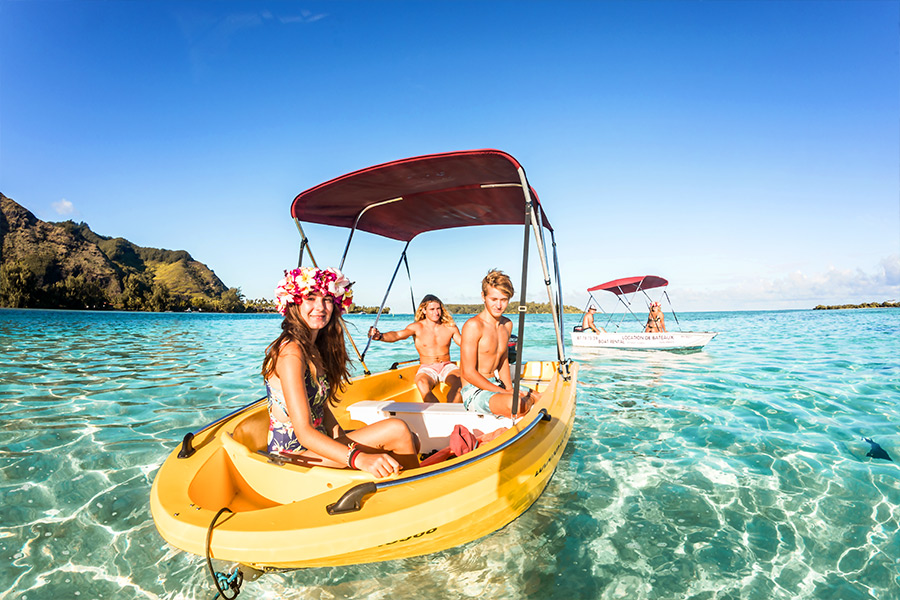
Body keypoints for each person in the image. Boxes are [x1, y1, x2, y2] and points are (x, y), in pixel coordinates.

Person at [262, 267, 419, 478]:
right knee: (397, 430)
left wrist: (344, 440)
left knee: (412, 439)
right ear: (294, 303)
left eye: (327, 299)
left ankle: (401, 481)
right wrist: (357, 458)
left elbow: (322, 411)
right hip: (292, 458)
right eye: (310, 298)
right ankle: (411, 488)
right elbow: (304, 433)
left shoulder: (314, 349)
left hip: (318, 448)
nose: (320, 307)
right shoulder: (291, 352)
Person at [458, 269, 538, 418]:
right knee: (516, 404)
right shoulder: (473, 326)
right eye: (494, 299)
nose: (499, 305)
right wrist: (504, 392)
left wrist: (509, 389)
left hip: (497, 384)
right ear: (483, 296)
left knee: (542, 397)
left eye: (504, 299)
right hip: (475, 391)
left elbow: (503, 360)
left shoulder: (507, 325)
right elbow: (468, 373)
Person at [368, 294, 463, 403]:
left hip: (446, 366)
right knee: (421, 383)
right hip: (427, 368)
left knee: (460, 381)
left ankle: (450, 409)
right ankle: (437, 411)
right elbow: (397, 335)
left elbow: (465, 344)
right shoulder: (417, 327)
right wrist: (380, 336)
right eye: (432, 309)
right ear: (424, 310)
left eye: (438, 309)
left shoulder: (450, 327)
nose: (436, 312)